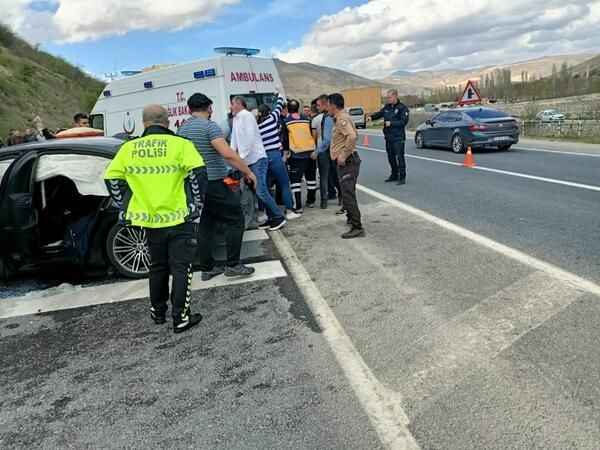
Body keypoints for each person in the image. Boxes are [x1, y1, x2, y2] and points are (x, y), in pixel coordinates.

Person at [104, 105, 207, 333]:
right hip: (180, 217)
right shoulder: (181, 145)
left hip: (149, 220)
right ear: (167, 122)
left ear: (144, 123)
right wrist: (196, 204)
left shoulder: (129, 148)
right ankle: (180, 317)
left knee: (157, 267)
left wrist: (127, 204)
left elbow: (111, 178)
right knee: (181, 268)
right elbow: (198, 174)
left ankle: (158, 312)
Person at [178, 93, 257, 280]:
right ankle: (233, 265)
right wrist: (248, 172)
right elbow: (226, 153)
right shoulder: (209, 126)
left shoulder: (183, 129)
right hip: (214, 182)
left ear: (190, 109)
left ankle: (207, 268)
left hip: (195, 185)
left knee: (206, 225)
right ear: (209, 108)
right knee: (236, 219)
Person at [230, 96, 287, 231]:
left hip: (257, 159)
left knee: (261, 191)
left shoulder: (247, 116)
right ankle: (271, 218)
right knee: (260, 191)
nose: (230, 107)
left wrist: (240, 156)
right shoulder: (236, 119)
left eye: (232, 104)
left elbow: (249, 138)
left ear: (238, 104)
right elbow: (234, 140)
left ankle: (278, 217)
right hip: (248, 161)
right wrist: (232, 156)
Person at [256, 90, 299, 220]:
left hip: (262, 158)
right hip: (275, 155)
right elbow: (279, 104)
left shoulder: (256, 127)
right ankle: (289, 210)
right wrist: (278, 95)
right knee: (284, 183)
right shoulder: (272, 119)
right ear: (268, 113)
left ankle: (264, 214)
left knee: (264, 187)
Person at [329, 93, 365, 239]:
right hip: (346, 161)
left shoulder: (342, 118)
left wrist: (343, 155)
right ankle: (351, 219)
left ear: (333, 105)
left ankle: (357, 227)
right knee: (346, 192)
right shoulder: (340, 118)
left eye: (328, 105)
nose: (327, 108)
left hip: (348, 161)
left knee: (348, 194)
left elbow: (352, 136)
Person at [282, 99, 317, 213]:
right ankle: (311, 201)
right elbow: (313, 134)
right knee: (311, 179)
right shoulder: (307, 120)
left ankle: (298, 206)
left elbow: (285, 140)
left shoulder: (286, 122)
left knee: (295, 182)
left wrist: (285, 154)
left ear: (288, 109)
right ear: (298, 108)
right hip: (310, 152)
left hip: (296, 155)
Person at [370, 89, 410, 185]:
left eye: (389, 97)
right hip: (388, 137)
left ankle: (402, 177)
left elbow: (403, 122)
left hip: (398, 137)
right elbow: (379, 114)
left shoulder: (402, 108)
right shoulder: (387, 107)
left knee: (399, 157)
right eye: (387, 97)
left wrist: (391, 123)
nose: (388, 99)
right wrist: (371, 117)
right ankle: (394, 175)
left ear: (395, 96)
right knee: (390, 157)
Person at [314, 95, 335, 209]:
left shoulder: (327, 118)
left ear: (325, 104)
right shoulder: (332, 116)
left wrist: (317, 151)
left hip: (326, 150)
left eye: (318, 105)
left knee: (324, 176)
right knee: (335, 175)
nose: (317, 107)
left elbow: (326, 139)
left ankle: (324, 201)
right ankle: (341, 198)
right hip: (334, 149)